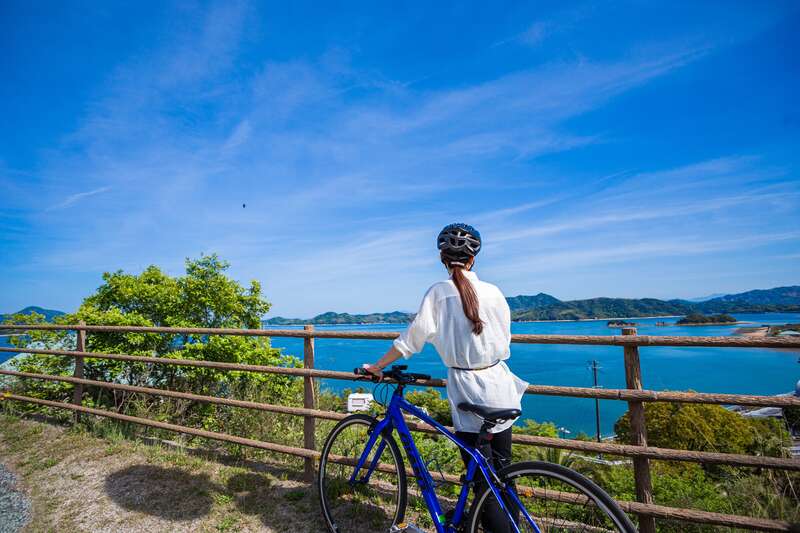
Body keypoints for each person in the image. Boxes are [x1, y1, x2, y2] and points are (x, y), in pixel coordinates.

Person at [362, 222, 528, 532]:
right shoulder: (494, 292)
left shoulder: (439, 293)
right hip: (500, 384)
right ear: (473, 259)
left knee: (483, 484)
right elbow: (504, 342)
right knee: (502, 475)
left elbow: (411, 340)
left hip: (469, 391)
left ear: (442, 258)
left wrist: (378, 366)